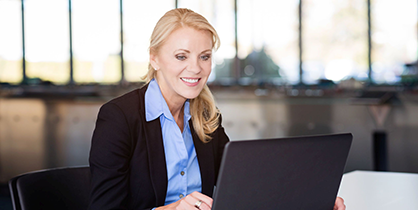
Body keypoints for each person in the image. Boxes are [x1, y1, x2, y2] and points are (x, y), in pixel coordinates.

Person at [88, 8, 346, 210]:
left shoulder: (206, 116)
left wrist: (311, 199)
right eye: (181, 56)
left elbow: (243, 186)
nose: (196, 68)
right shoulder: (119, 118)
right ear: (154, 58)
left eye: (205, 56)